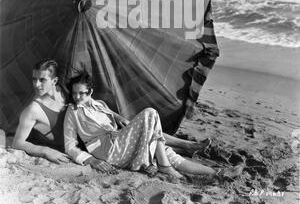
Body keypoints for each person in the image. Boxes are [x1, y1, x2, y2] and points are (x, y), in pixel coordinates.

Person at [64, 72, 243, 179]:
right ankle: (177, 155)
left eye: (82, 93)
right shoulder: (72, 112)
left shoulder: (99, 104)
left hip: (119, 140)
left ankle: (217, 173)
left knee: (164, 150)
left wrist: (121, 119)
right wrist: (91, 160)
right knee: (150, 113)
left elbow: (114, 116)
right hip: (108, 151)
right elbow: (70, 146)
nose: (78, 97)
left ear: (90, 92)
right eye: (75, 94)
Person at [12, 59, 70, 164]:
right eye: (34, 79)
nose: (37, 84)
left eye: (42, 80)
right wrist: (45, 151)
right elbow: (17, 143)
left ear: (55, 81)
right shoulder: (33, 110)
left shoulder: (64, 92)